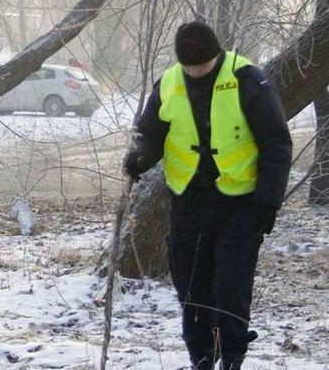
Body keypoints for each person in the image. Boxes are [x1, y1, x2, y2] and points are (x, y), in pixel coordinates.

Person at [123, 22, 292, 370]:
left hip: (242, 204)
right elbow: (150, 133)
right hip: (189, 202)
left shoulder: (248, 80)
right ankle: (201, 358)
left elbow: (277, 144)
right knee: (192, 290)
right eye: (189, 67)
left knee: (230, 288)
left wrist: (268, 202)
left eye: (201, 66)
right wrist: (139, 156)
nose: (195, 72)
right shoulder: (169, 83)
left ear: (216, 55)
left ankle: (232, 358)